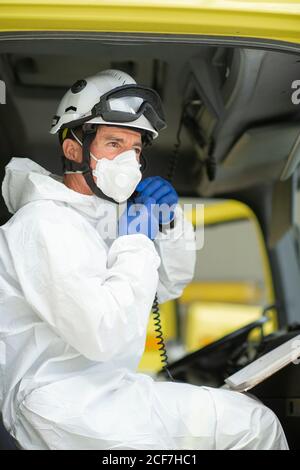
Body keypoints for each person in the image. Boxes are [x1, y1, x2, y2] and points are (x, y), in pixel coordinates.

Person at [0, 69, 288, 450]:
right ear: (73, 150)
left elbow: (165, 287)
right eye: (114, 143)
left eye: (135, 149)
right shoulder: (43, 224)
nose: (129, 161)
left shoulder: (92, 218)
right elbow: (103, 333)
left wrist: (166, 226)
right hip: (62, 408)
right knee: (254, 426)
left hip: (102, 394)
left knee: (246, 417)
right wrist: (136, 237)